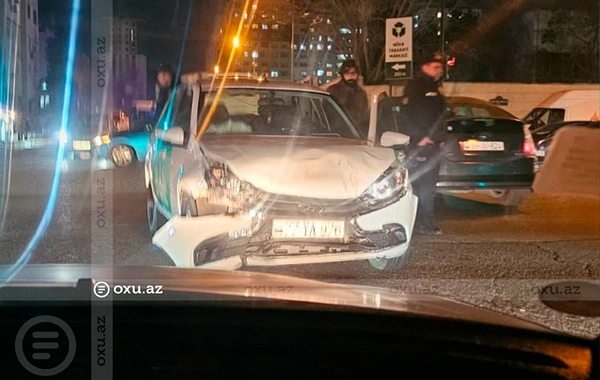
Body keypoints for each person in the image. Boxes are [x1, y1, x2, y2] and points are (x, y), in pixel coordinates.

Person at [399, 51, 448, 236]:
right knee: (421, 186)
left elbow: (440, 116)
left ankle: (424, 221)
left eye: (441, 68)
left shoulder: (436, 89)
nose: (439, 71)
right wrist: (420, 137)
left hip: (434, 144)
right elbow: (407, 114)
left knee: (429, 185)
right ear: (424, 67)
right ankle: (422, 223)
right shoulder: (416, 87)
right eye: (436, 67)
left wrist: (441, 139)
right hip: (421, 145)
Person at [327, 59, 369, 137]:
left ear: (357, 74)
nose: (350, 76)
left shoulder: (361, 93)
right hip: (337, 134)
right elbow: (329, 115)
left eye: (353, 73)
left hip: (357, 134)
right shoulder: (333, 91)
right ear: (342, 74)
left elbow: (364, 117)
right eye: (347, 73)